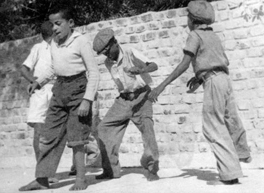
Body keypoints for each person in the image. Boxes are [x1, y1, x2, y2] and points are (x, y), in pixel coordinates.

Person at [149, 0, 251, 185]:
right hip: (224, 80)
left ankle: (229, 175)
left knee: (213, 126)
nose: (187, 21)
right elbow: (215, 60)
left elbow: (184, 64)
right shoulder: (213, 36)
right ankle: (242, 154)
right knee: (230, 119)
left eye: (188, 17)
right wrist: (199, 77)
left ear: (193, 20)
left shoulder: (195, 35)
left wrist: (161, 86)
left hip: (213, 83)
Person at [19, 4, 100, 191]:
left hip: (79, 89)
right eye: (52, 24)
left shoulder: (81, 41)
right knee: (48, 136)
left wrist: (87, 100)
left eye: (58, 23)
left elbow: (94, 72)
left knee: (77, 137)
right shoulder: (54, 42)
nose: (54, 28)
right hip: (59, 89)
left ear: (70, 23)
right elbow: (52, 67)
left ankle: (81, 178)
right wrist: (37, 82)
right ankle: (42, 179)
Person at [92, 28, 160, 181]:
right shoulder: (107, 63)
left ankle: (152, 170)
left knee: (148, 131)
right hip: (123, 100)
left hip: (142, 97)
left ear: (115, 42)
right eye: (104, 53)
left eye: (108, 50)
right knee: (103, 128)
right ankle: (110, 170)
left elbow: (154, 65)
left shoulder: (130, 52)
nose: (108, 55)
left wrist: (141, 69)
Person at [20, 21, 59, 184]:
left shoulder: (60, 47)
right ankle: (42, 171)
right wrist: (34, 83)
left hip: (56, 90)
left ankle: (51, 170)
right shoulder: (38, 48)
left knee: (55, 132)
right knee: (39, 132)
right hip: (40, 93)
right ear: (47, 35)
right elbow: (24, 69)